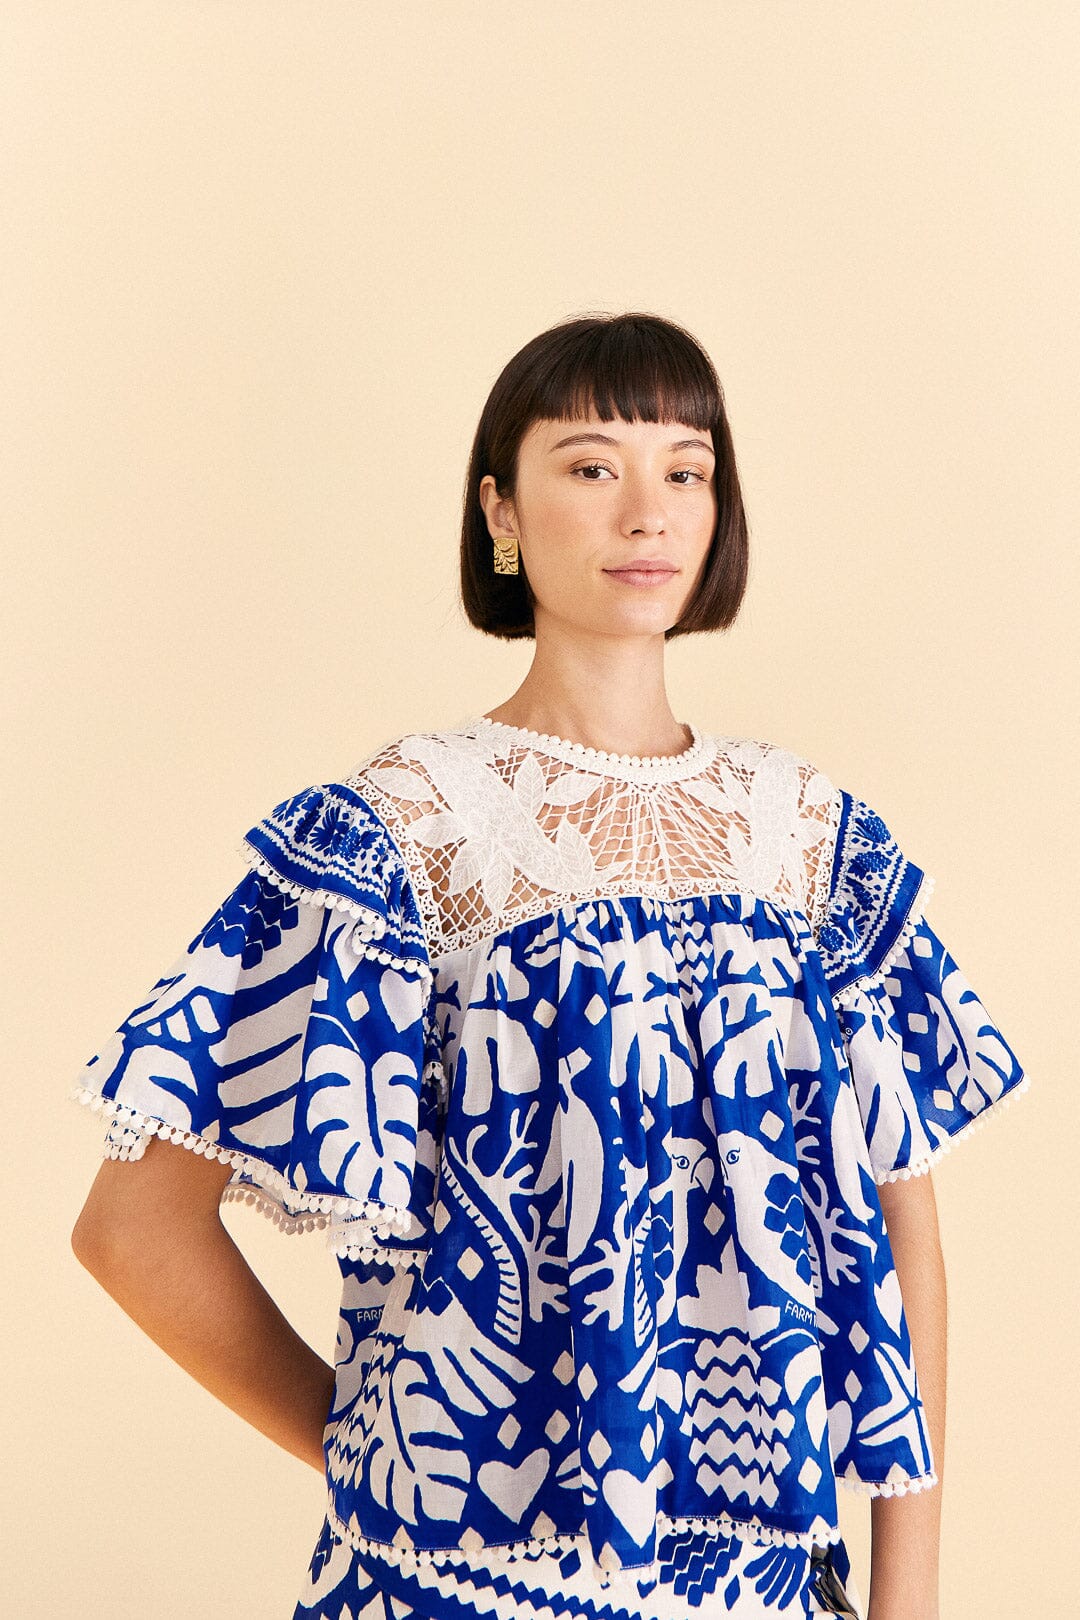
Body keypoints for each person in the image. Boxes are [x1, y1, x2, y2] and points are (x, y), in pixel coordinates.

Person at [69, 311, 1028, 1620]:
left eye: (686, 469)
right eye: (591, 466)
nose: (649, 512)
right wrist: (383, 1471)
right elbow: (133, 1226)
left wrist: (909, 1600)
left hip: (768, 1590)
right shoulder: (409, 825)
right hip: (460, 1588)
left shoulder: (811, 835)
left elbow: (905, 1225)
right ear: (500, 510)